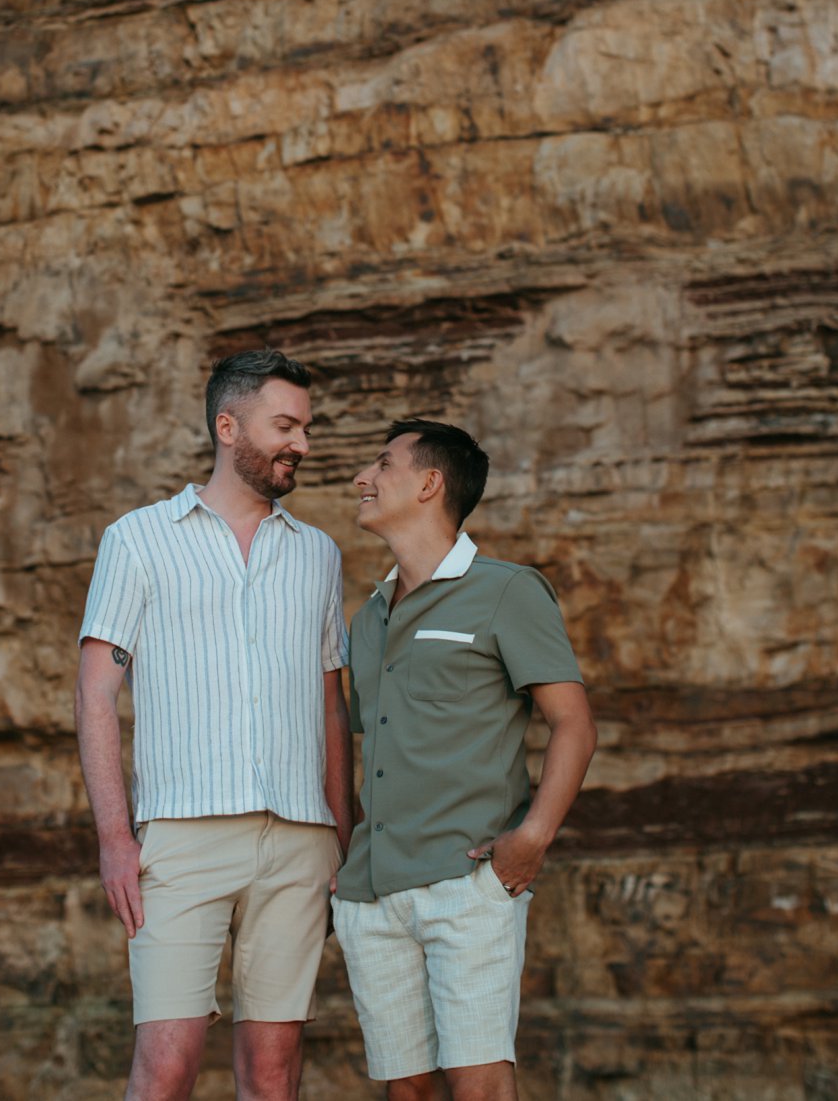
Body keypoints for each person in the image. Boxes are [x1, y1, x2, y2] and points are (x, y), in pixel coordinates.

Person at [75, 348, 353, 1101]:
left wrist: (343, 837)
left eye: (306, 428)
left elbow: (332, 705)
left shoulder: (320, 555)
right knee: (166, 1068)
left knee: (272, 1075)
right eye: (285, 425)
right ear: (228, 427)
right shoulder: (137, 538)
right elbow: (96, 695)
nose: (302, 443)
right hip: (181, 838)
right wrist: (114, 838)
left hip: (299, 841)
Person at [333, 419, 597, 1101]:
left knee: (480, 1085)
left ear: (430, 483)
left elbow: (574, 723)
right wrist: (342, 860)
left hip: (467, 884)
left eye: (382, 464)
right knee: (407, 1091)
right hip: (372, 895)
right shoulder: (368, 619)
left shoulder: (508, 590)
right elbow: (366, 745)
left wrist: (532, 838)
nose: (363, 477)